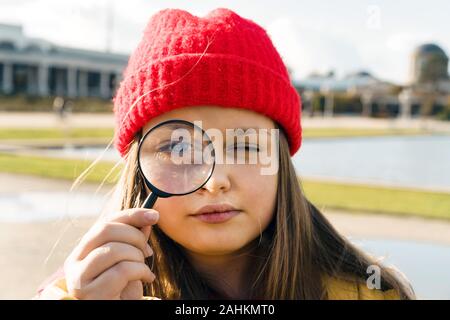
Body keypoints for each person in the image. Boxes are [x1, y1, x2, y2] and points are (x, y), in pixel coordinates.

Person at [35, 8, 415, 300]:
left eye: (247, 146)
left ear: (281, 162)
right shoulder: (82, 294)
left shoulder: (370, 293)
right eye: (178, 148)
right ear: (139, 169)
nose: (215, 182)